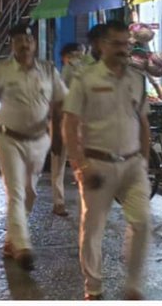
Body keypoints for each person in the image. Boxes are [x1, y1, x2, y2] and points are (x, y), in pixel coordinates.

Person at [63, 18, 152, 301]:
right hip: (97, 164)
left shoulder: (137, 79)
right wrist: (80, 164)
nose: (123, 49)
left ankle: (133, 285)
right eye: (117, 44)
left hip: (132, 164)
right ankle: (93, 287)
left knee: (142, 222)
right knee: (93, 229)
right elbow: (70, 124)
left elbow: (143, 122)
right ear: (102, 45)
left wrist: (145, 160)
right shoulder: (85, 79)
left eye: (126, 44)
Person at [0, 23, 66, 267]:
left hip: (39, 141)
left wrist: (58, 136)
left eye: (28, 40)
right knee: (15, 192)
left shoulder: (48, 70)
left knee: (29, 193)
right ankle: (23, 246)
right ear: (12, 45)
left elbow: (59, 103)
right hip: (9, 140)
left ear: (34, 44)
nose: (24, 45)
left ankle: (11, 240)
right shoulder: (2, 71)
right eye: (18, 41)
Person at [50, 42, 86, 216]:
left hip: (73, 121)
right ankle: (63, 202)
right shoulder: (70, 70)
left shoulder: (71, 69)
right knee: (68, 161)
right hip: (70, 121)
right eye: (80, 52)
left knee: (61, 163)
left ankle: (60, 202)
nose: (81, 55)